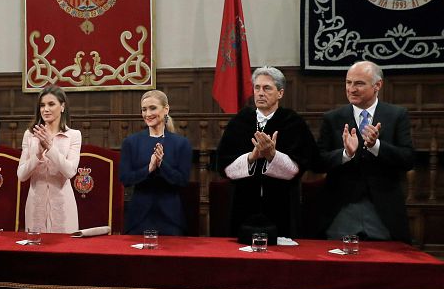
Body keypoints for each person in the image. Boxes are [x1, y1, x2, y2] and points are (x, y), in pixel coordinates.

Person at [316, 61, 414, 242]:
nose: (351, 89)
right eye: (348, 82)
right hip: (341, 208)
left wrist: (376, 146)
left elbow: (408, 159)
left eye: (359, 83)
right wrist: (346, 154)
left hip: (383, 209)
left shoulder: (397, 115)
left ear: (377, 85)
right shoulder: (332, 118)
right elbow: (318, 161)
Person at [216, 67, 317, 239]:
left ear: (280, 93)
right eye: (257, 88)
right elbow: (224, 168)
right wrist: (251, 157)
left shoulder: (292, 122)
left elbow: (297, 169)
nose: (260, 93)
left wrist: (272, 156)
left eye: (267, 88)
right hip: (243, 205)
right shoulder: (240, 122)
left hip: (282, 205)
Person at [120, 90, 192, 235]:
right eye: (144, 109)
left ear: (166, 109)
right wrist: (149, 168)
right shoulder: (131, 142)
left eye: (153, 108)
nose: (148, 114)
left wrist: (161, 164)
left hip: (171, 218)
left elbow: (182, 181)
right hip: (138, 218)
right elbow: (125, 179)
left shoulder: (181, 143)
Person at [17, 85, 81, 233]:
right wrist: (38, 155)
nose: (46, 109)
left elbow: (70, 172)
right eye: (42, 105)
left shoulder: (74, 135)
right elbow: (21, 175)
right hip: (35, 205)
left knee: (65, 252)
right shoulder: (30, 135)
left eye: (51, 104)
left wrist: (50, 148)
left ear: (62, 106)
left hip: (63, 205)